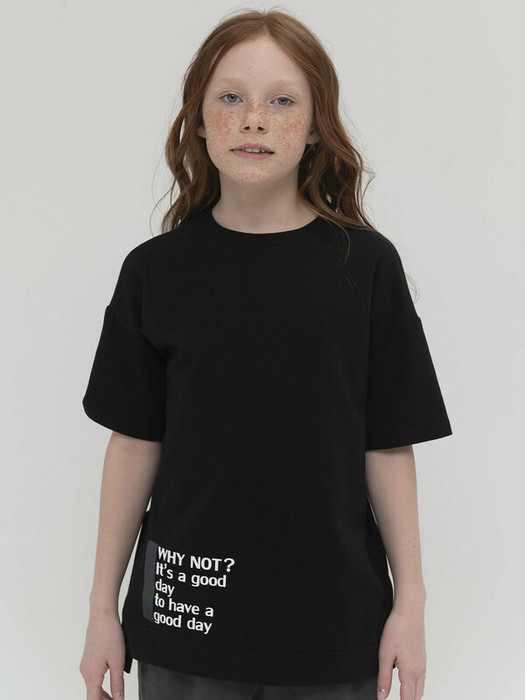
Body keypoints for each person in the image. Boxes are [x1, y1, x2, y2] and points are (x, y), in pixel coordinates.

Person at [79, 8, 453, 700]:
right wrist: (102, 608)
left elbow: (387, 445)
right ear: (198, 120)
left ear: (314, 127)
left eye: (282, 101)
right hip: (186, 617)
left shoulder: (365, 268)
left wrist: (411, 605)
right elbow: (133, 443)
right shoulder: (155, 273)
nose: (253, 120)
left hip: (333, 625)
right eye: (231, 97)